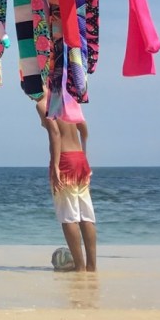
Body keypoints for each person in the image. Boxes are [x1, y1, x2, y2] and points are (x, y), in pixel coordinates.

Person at [37, 90, 96, 272]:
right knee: (86, 215)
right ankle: (91, 267)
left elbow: (54, 133)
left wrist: (55, 165)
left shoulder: (43, 103)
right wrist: (84, 155)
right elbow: (83, 128)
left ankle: (79, 268)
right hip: (79, 159)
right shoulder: (68, 97)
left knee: (68, 217)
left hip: (64, 160)